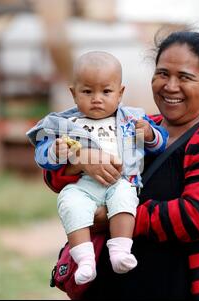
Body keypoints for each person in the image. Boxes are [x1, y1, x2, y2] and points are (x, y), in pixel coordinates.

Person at [41, 31, 199, 300]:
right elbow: (53, 178)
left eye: (184, 77)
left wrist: (120, 217)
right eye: (162, 74)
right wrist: (80, 162)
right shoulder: (135, 127)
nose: (170, 86)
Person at [26, 51, 168, 285]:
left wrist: (151, 134)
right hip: (84, 186)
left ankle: (121, 251)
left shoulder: (132, 119)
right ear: (73, 93)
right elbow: (42, 155)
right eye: (87, 91)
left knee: (125, 198)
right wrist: (57, 151)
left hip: (119, 181)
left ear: (120, 93)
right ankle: (84, 260)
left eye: (106, 91)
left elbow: (160, 142)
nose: (97, 99)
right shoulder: (64, 124)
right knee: (69, 201)